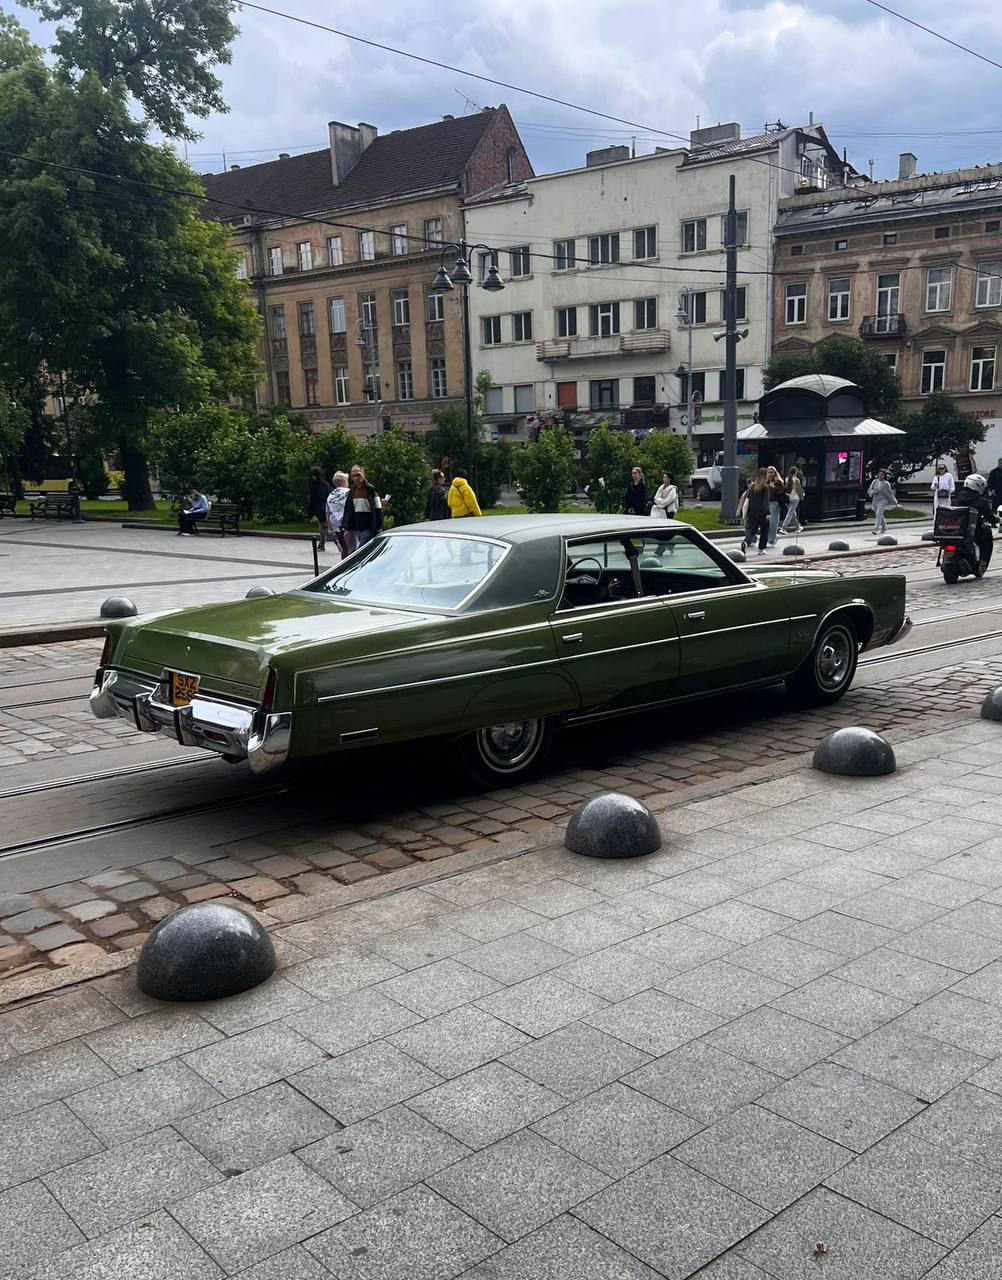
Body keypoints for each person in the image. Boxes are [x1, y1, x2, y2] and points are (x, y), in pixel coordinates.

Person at [952, 473, 997, 570]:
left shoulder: (958, 498)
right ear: (977, 486)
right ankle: (983, 562)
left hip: (956, 529)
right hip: (973, 531)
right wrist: (996, 520)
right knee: (987, 535)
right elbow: (990, 517)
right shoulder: (981, 501)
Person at [341, 464, 383, 547]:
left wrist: (379, 526)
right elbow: (349, 509)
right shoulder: (352, 491)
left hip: (369, 526)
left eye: (358, 475)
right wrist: (347, 526)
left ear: (363, 474)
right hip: (357, 526)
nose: (356, 478)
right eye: (353, 476)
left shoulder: (371, 490)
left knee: (362, 548)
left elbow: (378, 509)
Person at [741, 468, 771, 555]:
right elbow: (765, 502)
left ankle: (746, 542)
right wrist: (767, 513)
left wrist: (745, 513)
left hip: (752, 513)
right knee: (764, 531)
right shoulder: (765, 487)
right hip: (762, 513)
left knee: (752, 531)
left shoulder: (752, 487)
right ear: (765, 476)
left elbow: (748, 500)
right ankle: (761, 549)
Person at [325, 471, 351, 556]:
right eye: (347, 481)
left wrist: (330, 527)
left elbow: (328, 513)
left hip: (337, 526)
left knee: (344, 548)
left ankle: (344, 561)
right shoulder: (349, 492)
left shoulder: (331, 496)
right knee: (352, 548)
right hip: (349, 525)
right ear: (344, 481)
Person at [307, 466, 331, 551]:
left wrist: (310, 510)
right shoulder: (325, 484)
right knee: (325, 526)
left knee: (323, 527)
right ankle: (321, 543)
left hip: (320, 508)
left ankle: (334, 541)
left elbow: (313, 498)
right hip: (327, 506)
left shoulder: (314, 485)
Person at [868, 469, 897, 535]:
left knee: (879, 513)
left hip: (883, 500)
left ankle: (876, 528)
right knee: (878, 514)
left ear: (884, 476)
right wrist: (873, 492)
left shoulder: (886, 483)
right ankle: (884, 526)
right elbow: (870, 490)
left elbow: (889, 493)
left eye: (882, 475)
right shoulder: (875, 481)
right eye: (879, 474)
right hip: (875, 500)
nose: (880, 476)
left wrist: (894, 501)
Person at [780, 466, 805, 534]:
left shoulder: (787, 479)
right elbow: (799, 490)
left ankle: (798, 526)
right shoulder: (796, 480)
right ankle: (783, 528)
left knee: (792, 513)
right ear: (795, 472)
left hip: (788, 498)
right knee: (790, 513)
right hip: (795, 498)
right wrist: (802, 496)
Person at [766, 465, 786, 546]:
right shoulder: (765, 482)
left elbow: (781, 492)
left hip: (774, 503)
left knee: (773, 522)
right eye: (768, 472)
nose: (770, 474)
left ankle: (771, 539)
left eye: (772, 472)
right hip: (766, 503)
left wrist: (773, 487)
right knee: (766, 522)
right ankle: (769, 537)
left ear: (775, 473)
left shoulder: (778, 482)